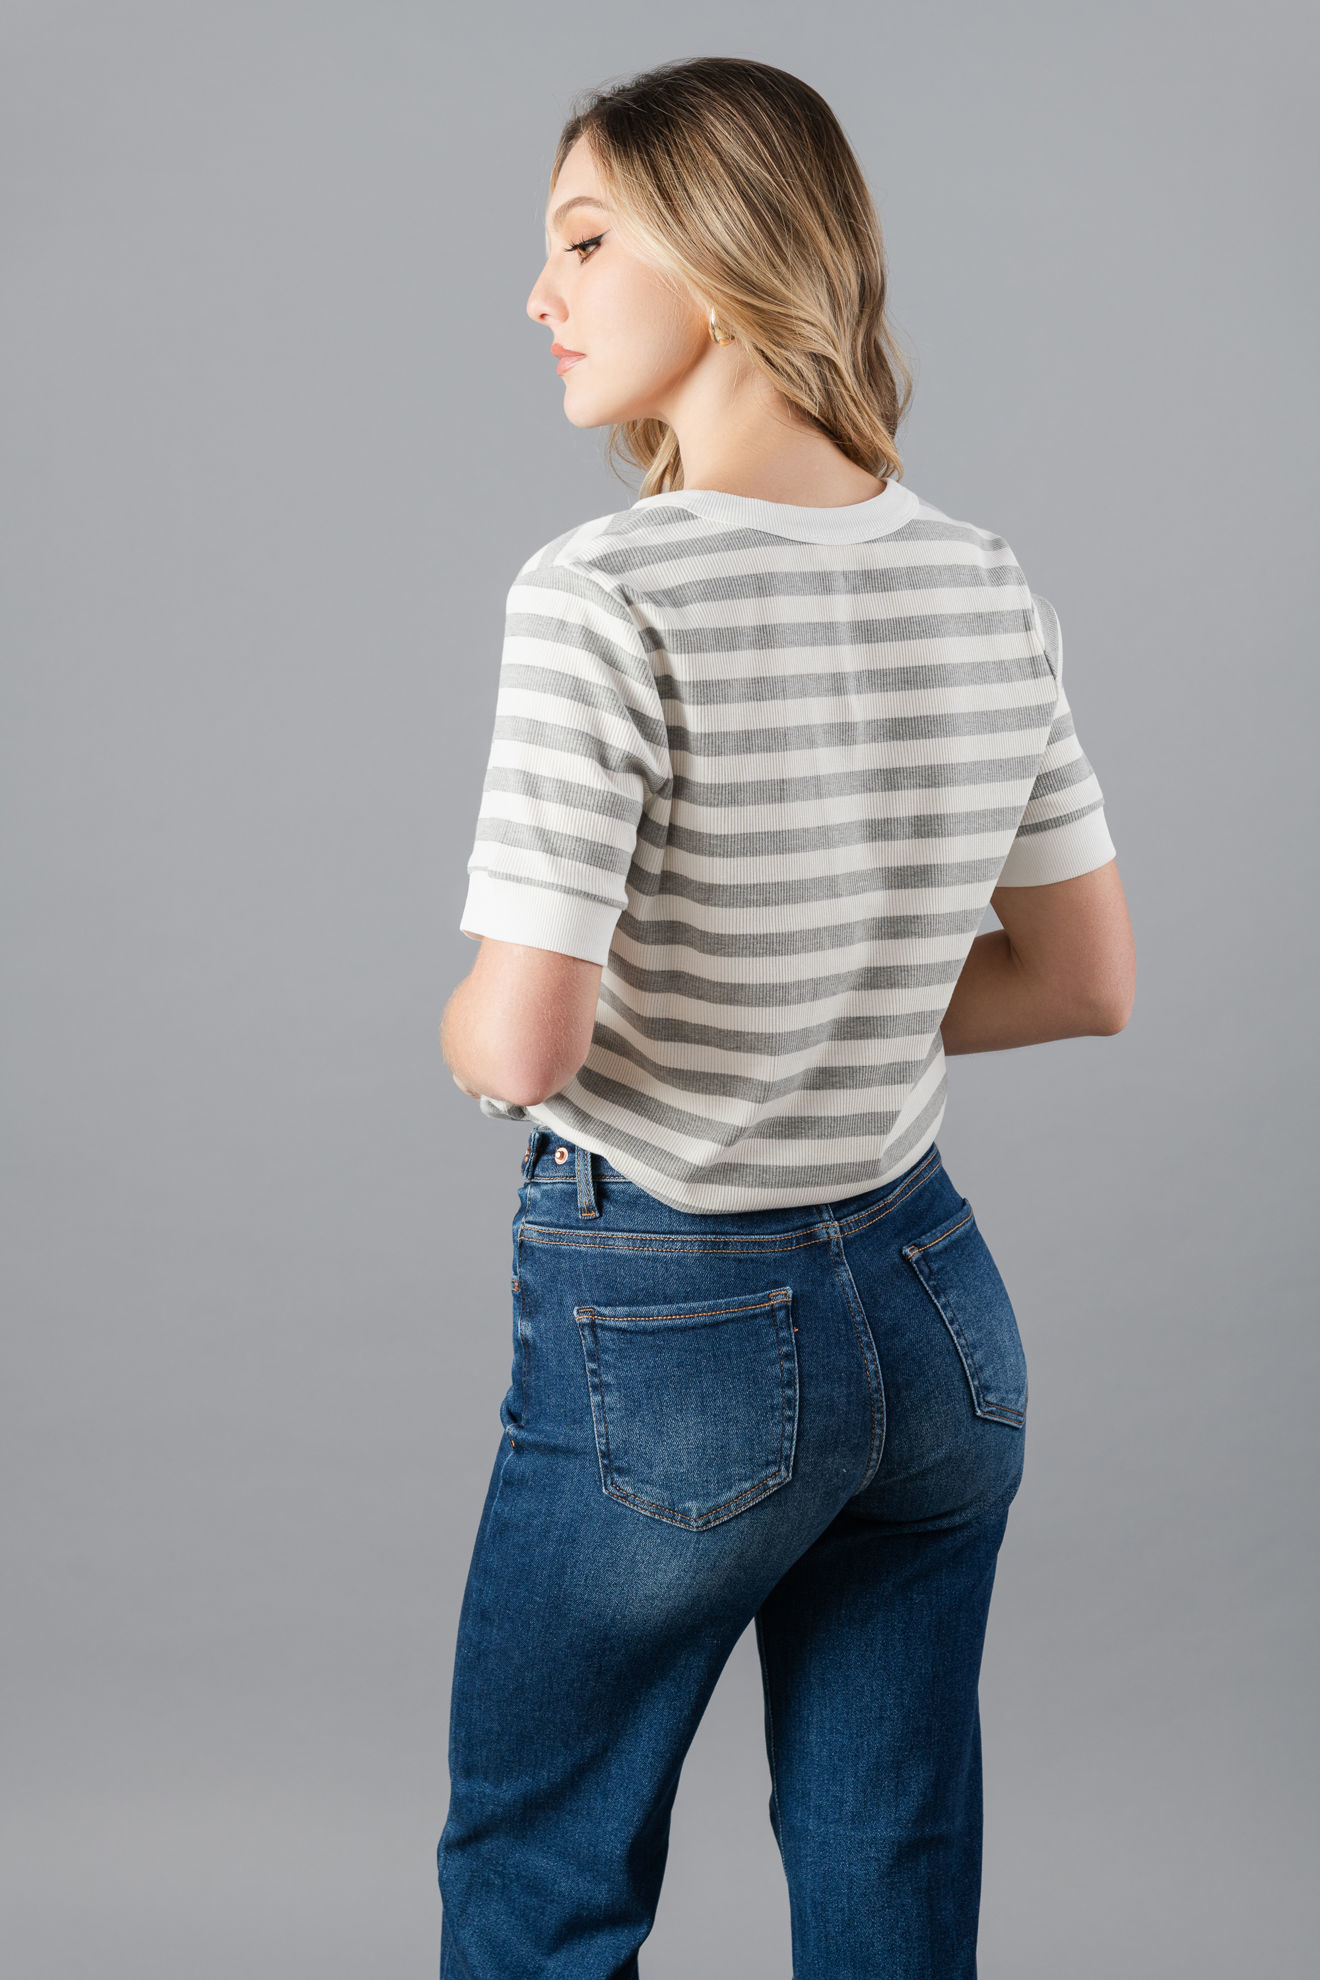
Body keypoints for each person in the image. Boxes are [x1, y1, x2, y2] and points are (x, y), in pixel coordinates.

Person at [435, 54, 1136, 1980]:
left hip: (673, 1322)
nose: (541, 294)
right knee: (888, 1860)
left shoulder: (600, 594)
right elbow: (1083, 980)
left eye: (586, 241)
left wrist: (463, 1030)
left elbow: (521, 1046)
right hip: (936, 1316)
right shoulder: (986, 583)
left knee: (543, 1874)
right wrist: (836, 1005)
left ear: (729, 251)